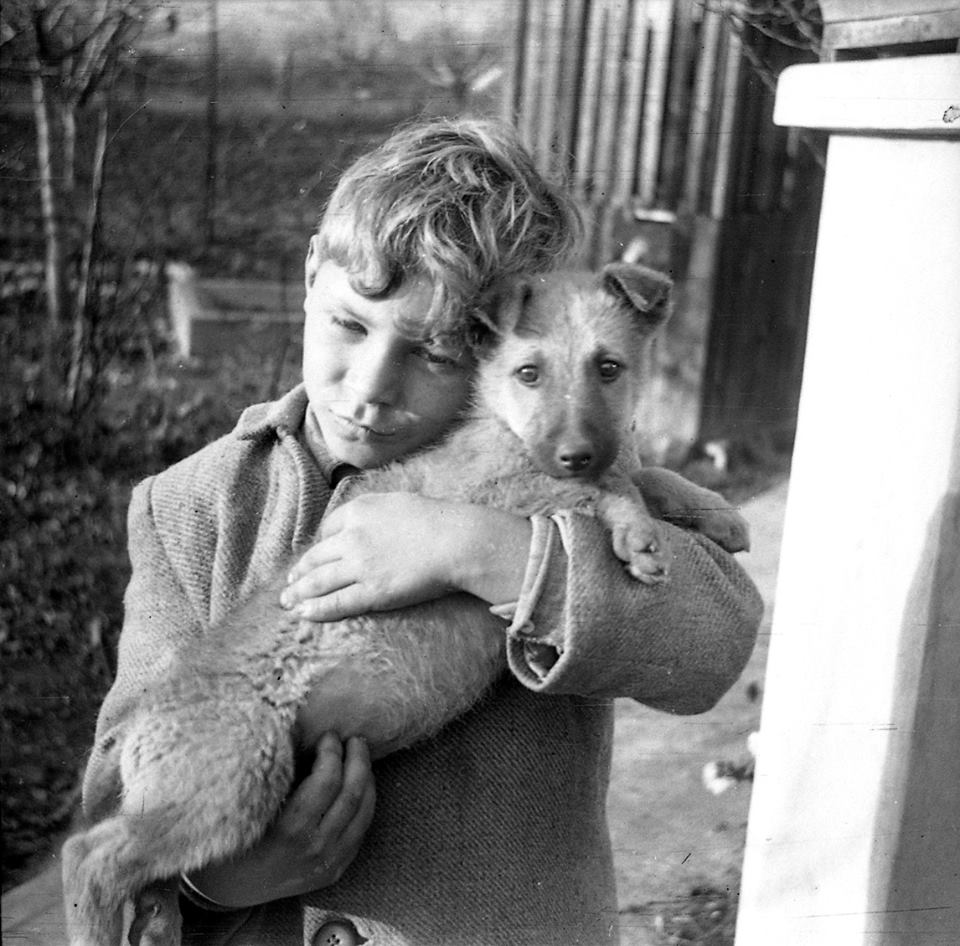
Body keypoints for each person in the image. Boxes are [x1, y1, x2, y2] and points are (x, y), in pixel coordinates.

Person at [79, 117, 763, 946]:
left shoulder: (559, 460)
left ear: (492, 343)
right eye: (350, 325)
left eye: (433, 352)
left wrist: (471, 548)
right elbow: (124, 770)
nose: (371, 388)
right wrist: (219, 883)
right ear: (310, 273)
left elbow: (711, 643)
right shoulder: (192, 505)